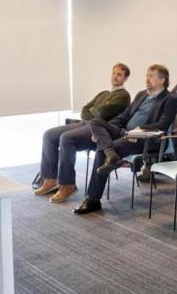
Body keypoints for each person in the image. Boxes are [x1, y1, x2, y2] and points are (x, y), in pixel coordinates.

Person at [74, 65, 177, 215]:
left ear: (162, 80)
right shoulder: (142, 94)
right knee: (95, 122)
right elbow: (125, 115)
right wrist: (107, 129)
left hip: (146, 139)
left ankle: (92, 200)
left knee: (101, 152)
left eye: (151, 76)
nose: (147, 79)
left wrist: (140, 129)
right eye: (147, 75)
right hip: (126, 133)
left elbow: (162, 124)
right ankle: (111, 153)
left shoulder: (169, 100)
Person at [35, 63, 131, 202]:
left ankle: (67, 184)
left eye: (119, 75)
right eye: (114, 73)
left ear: (125, 78)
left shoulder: (123, 95)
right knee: (49, 135)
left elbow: (102, 113)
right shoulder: (104, 93)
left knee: (66, 138)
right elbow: (84, 110)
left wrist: (93, 112)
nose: (115, 77)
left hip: (100, 129)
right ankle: (51, 178)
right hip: (85, 124)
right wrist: (93, 112)